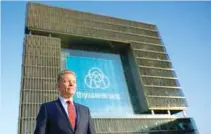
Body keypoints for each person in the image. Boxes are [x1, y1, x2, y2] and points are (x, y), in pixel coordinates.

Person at [34, 70, 96, 134]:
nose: (71, 84)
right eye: (67, 81)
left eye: (74, 82)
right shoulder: (47, 108)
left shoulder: (85, 110)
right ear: (58, 86)